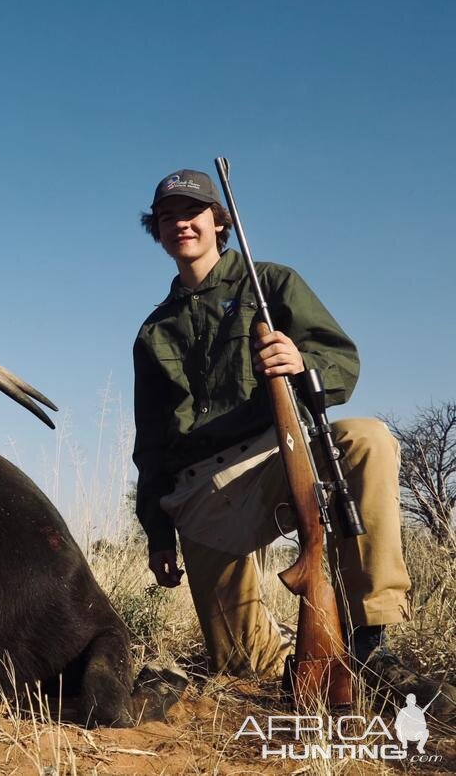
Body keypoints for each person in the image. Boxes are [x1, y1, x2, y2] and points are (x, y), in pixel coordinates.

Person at [130, 169, 448, 713]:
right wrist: (159, 534)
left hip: (280, 456)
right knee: (242, 667)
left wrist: (304, 366)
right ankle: (298, 655)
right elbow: (152, 444)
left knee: (367, 439)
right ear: (156, 231)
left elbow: (340, 360)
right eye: (167, 217)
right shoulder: (153, 331)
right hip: (203, 493)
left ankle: (372, 646)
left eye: (193, 212)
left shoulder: (271, 283)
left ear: (219, 222)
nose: (181, 223)